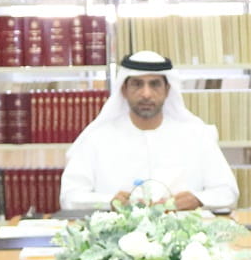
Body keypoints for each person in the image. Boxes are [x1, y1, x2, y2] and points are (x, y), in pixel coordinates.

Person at [59, 51, 240, 212]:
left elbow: (228, 192)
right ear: (124, 89)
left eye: (154, 85)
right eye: (137, 84)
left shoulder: (196, 135)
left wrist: (198, 199)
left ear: (167, 90)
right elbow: (70, 196)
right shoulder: (97, 138)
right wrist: (109, 201)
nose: (146, 94)